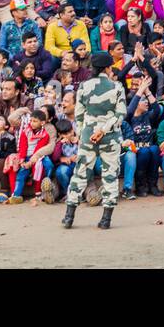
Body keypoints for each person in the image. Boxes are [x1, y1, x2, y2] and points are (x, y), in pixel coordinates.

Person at [62, 53, 127, 229]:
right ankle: (106, 219)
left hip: (88, 136)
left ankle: (69, 216)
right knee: (110, 175)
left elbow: (79, 114)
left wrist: (85, 133)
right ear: (108, 68)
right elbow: (121, 114)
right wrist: (103, 130)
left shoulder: (84, 86)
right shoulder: (117, 86)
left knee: (80, 173)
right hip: (110, 136)